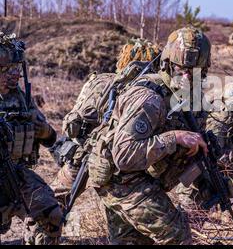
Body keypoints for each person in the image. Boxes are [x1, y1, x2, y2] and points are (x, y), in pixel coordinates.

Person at [87, 27, 215, 245]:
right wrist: (175, 138)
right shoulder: (149, 98)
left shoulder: (189, 97)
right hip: (122, 180)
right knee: (177, 236)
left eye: (192, 70)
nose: (185, 75)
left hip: (138, 177)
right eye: (179, 67)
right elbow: (125, 156)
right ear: (166, 63)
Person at [50, 38, 161, 206]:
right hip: (107, 162)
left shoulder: (100, 79)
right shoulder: (138, 90)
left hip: (78, 153)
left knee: (52, 204)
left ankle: (39, 228)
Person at [0, 32, 62, 245]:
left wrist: (43, 129)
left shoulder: (19, 96)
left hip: (16, 174)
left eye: (17, 68)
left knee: (51, 216)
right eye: (7, 70)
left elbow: (50, 138)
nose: (14, 74)